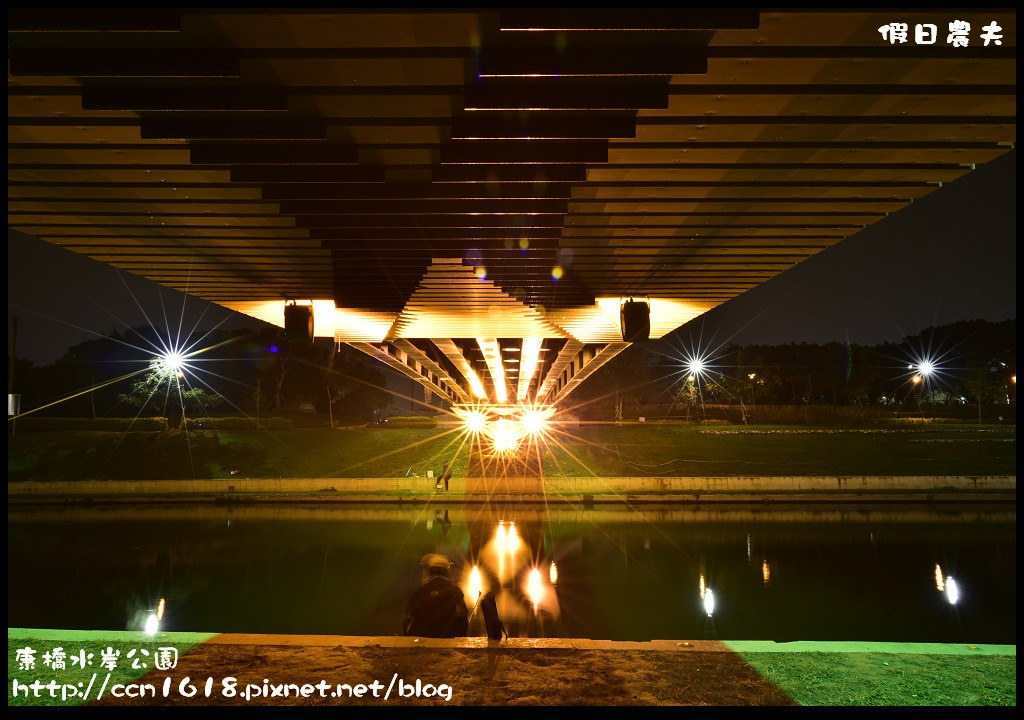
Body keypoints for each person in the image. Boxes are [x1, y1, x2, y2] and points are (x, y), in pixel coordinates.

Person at [403, 553, 468, 638]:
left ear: (430, 571)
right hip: (448, 642)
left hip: (424, 643)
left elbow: (408, 619)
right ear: (447, 571)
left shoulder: (420, 591)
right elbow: (462, 618)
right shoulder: (456, 591)